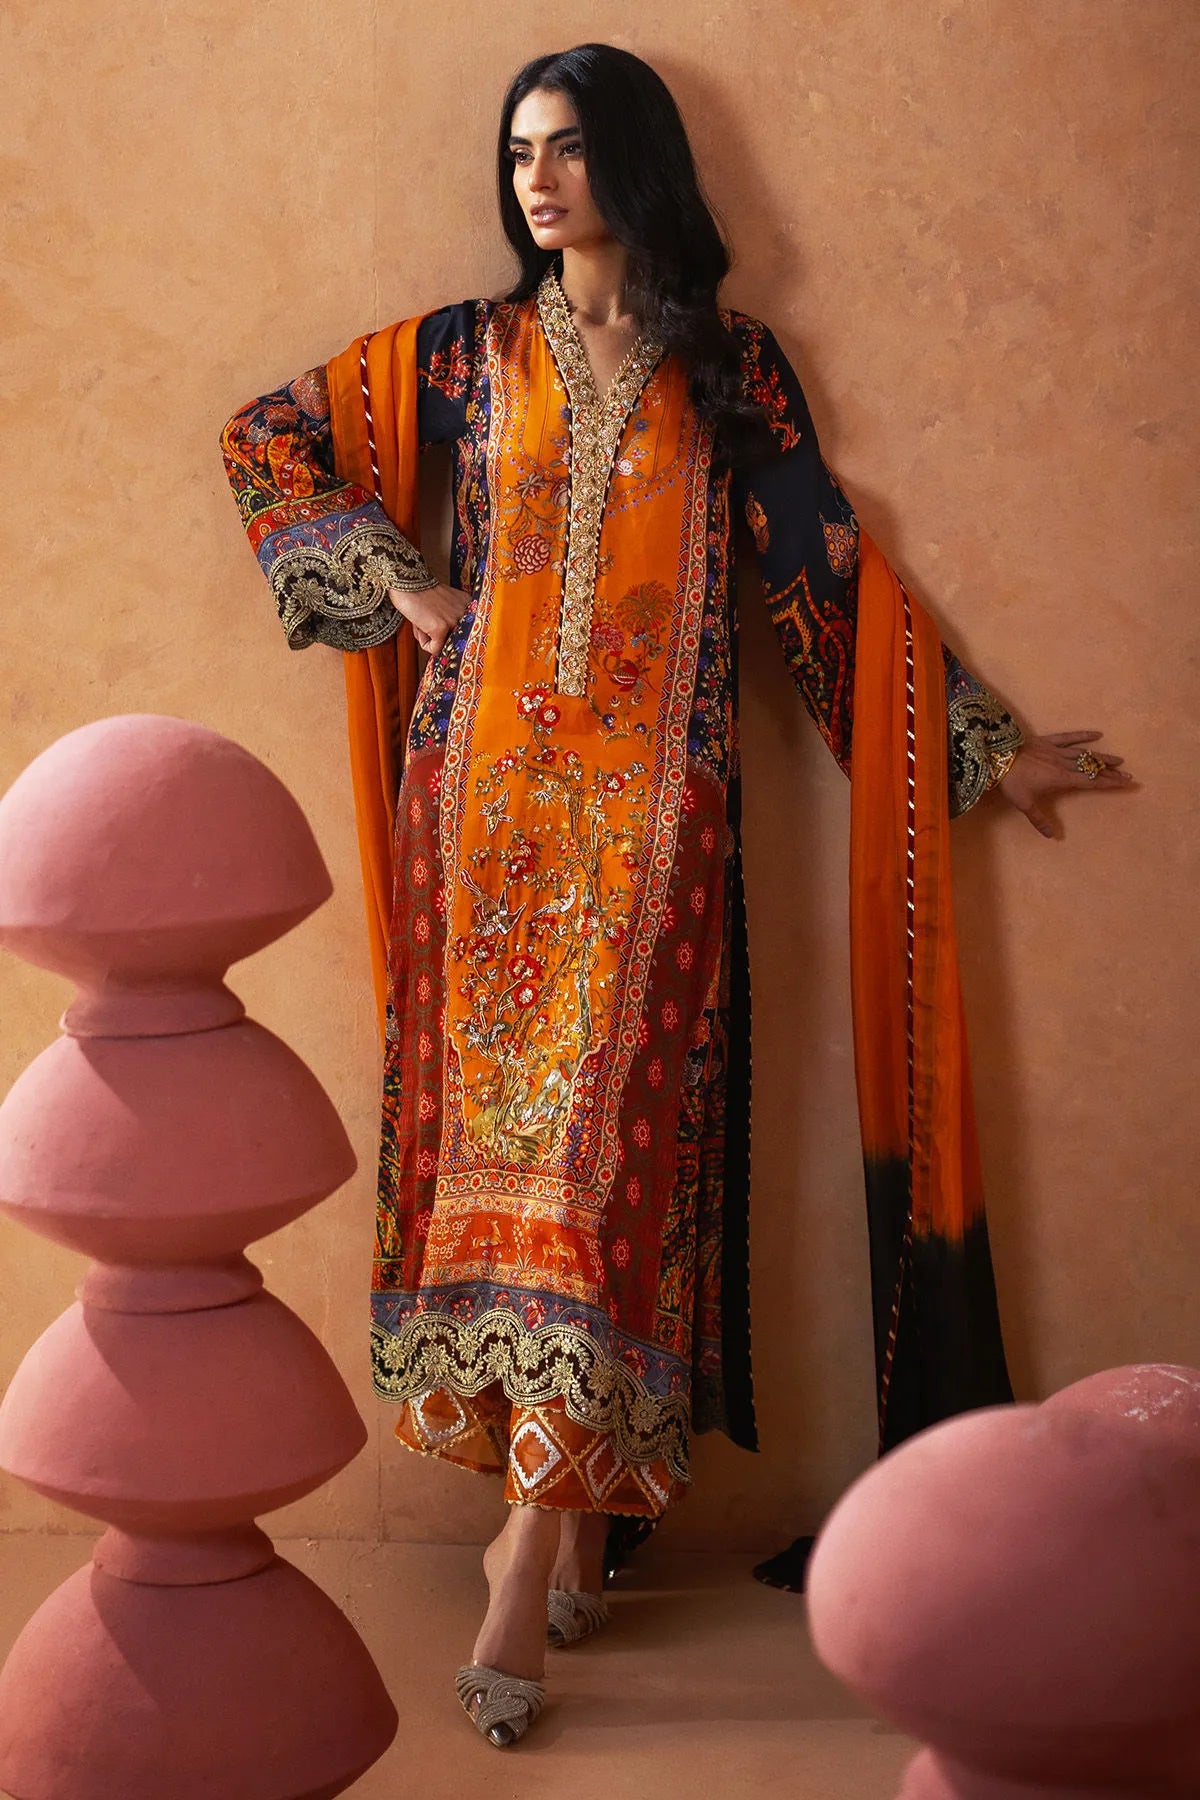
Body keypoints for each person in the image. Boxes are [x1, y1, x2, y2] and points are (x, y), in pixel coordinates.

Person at [220, 43, 1131, 1748]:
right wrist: (409, 593)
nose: (537, 180)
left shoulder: (732, 368)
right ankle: (559, 1519)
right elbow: (266, 438)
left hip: (656, 830)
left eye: (568, 148)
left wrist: (981, 744)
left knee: (607, 1179)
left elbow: (824, 580)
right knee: (500, 1184)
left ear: (634, 161)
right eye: (518, 152)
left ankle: (526, 1557)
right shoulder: (461, 356)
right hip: (478, 822)